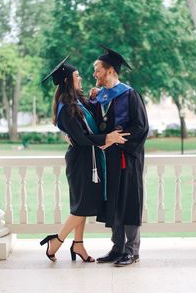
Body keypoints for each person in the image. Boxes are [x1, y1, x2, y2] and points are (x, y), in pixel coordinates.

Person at [40, 55, 129, 263]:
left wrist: (94, 98)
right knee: (82, 206)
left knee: (83, 204)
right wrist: (109, 137)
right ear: (68, 81)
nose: (80, 78)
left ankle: (78, 244)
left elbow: (91, 121)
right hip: (81, 161)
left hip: (90, 159)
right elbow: (80, 138)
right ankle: (57, 241)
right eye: (77, 76)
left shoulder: (76, 101)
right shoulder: (65, 108)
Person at [90, 45, 149, 267]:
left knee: (129, 201)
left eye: (97, 70)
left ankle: (132, 250)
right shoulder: (100, 97)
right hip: (108, 159)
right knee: (113, 201)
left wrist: (119, 140)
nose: (94, 74)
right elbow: (93, 122)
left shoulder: (130, 94)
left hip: (127, 158)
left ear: (110, 70)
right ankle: (117, 248)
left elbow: (141, 126)